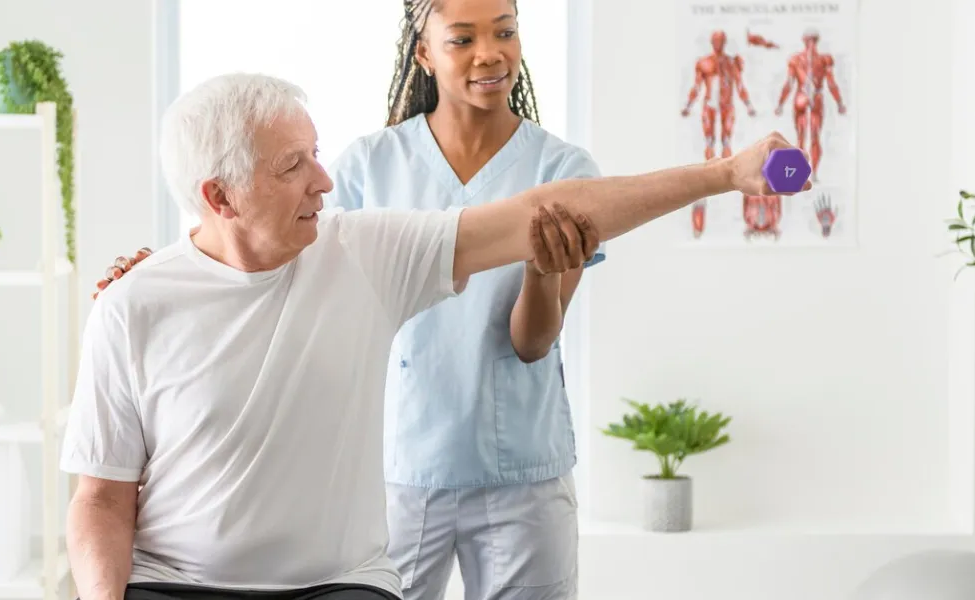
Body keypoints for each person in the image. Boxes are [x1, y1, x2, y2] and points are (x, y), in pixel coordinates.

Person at [63, 69, 807, 600]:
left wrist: (727, 174)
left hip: (339, 586)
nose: (324, 181)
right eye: (294, 166)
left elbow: (549, 208)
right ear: (217, 196)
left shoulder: (361, 251)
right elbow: (99, 498)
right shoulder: (133, 305)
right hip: (176, 584)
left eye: (317, 154)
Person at [95, 2, 603, 598]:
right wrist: (165, 273)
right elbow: (273, 245)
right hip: (401, 465)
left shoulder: (563, 169)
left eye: (506, 32)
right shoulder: (366, 165)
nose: (489, 52)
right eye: (462, 38)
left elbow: (534, 341)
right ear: (423, 52)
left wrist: (543, 273)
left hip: (521, 462)